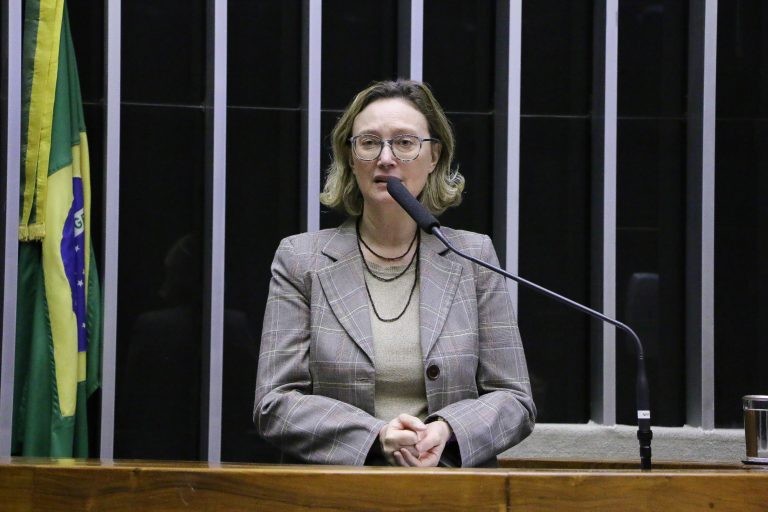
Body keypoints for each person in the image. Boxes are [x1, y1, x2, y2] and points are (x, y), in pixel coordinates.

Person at [253, 79, 535, 467]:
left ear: (434, 156)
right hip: (336, 493)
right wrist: (376, 436)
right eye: (369, 143)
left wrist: (446, 430)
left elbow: (515, 399)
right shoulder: (302, 260)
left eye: (404, 143)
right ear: (352, 159)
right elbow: (274, 402)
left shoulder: (472, 257)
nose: (386, 158)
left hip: (450, 489)